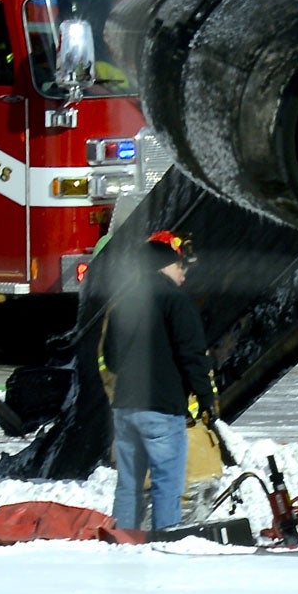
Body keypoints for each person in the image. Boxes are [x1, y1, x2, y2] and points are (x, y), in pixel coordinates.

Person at [99, 229, 215, 535]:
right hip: (162, 409)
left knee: (128, 485)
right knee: (167, 482)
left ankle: (122, 538)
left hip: (125, 408)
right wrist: (206, 400)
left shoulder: (124, 301)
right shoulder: (177, 302)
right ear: (164, 266)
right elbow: (193, 355)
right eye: (181, 267)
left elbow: (110, 359)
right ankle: (166, 540)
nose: (184, 275)